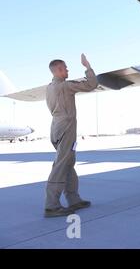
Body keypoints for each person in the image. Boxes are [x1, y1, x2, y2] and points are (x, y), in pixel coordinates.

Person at [44, 54, 98, 217]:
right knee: (61, 166)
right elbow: (91, 84)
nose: (67, 70)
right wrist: (87, 67)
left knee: (68, 164)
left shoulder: (49, 87)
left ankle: (74, 199)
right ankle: (52, 206)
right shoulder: (64, 86)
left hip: (57, 128)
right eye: (65, 67)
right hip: (66, 128)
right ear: (59, 70)